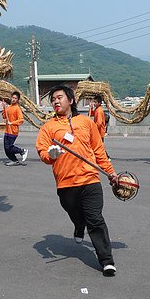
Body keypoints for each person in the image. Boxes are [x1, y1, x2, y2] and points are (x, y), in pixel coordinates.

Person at [36, 85, 118, 277]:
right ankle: (78, 225)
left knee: (95, 219)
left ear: (71, 101)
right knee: (74, 213)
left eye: (59, 97)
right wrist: (50, 155)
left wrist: (111, 173)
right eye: (53, 99)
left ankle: (106, 260)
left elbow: (99, 151)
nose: (56, 101)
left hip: (90, 179)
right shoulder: (49, 127)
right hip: (65, 183)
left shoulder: (86, 122)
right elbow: (42, 151)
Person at [1, 91, 28, 166]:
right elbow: (4, 116)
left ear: (17, 100)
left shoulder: (17, 108)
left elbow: (21, 119)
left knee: (9, 147)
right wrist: (4, 107)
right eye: (13, 97)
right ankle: (14, 160)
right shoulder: (9, 107)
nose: (13, 99)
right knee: (6, 148)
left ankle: (22, 151)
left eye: (15, 98)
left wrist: (12, 123)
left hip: (13, 131)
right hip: (7, 131)